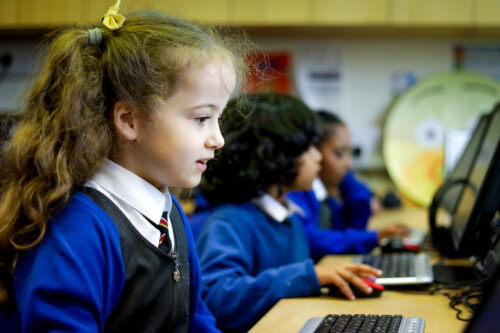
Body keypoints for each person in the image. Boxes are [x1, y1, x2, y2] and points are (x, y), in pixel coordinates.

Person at [0, 1, 247, 331]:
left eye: (218, 119)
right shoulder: (76, 231)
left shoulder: (169, 210)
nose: (218, 139)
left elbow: (195, 316)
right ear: (129, 120)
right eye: (202, 118)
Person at [196, 93, 382, 332]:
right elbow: (216, 300)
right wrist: (308, 276)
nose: (318, 157)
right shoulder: (231, 222)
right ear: (277, 156)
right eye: (308, 148)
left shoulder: (291, 219)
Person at [287, 111, 408, 259]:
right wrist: (372, 237)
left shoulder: (323, 195)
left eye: (349, 153)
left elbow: (353, 227)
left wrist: (347, 179)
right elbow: (309, 240)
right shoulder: (297, 193)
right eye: (339, 154)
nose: (348, 162)